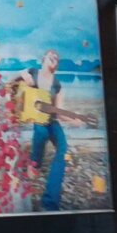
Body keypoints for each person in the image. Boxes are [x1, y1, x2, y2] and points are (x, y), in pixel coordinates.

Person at [17, 49, 76, 211]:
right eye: (51, 56)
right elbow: (12, 81)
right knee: (41, 132)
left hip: (52, 122)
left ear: (56, 65)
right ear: (43, 58)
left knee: (63, 151)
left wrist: (74, 119)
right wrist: (22, 74)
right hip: (38, 120)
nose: (54, 58)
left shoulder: (57, 85)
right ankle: (35, 163)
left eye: (56, 58)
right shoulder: (32, 72)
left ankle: (50, 202)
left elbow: (59, 112)